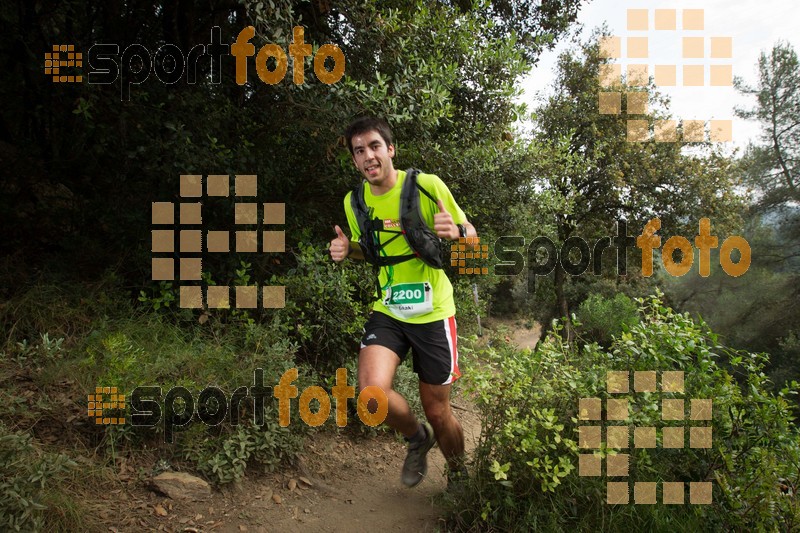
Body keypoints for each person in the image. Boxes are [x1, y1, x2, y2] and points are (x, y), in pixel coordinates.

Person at [329, 116, 475, 489]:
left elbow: (472, 239)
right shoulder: (354, 201)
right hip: (389, 309)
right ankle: (416, 438)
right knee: (371, 397)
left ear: (390, 150)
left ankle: (458, 474)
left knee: (438, 409)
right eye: (359, 151)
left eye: (374, 146)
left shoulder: (426, 187)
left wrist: (457, 232)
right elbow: (373, 253)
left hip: (433, 313)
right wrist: (350, 251)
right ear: (354, 161)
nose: (368, 156)